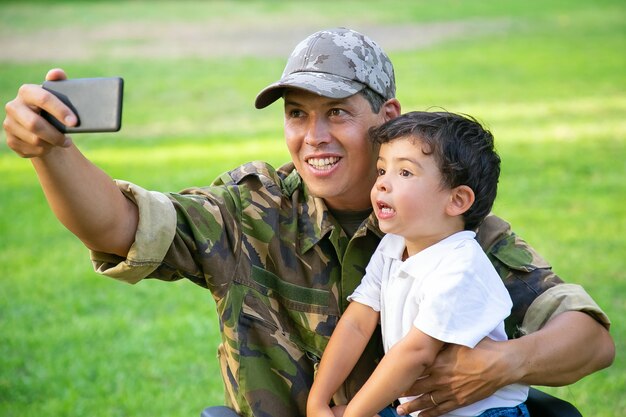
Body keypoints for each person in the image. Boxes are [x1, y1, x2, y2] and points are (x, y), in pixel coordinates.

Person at [3, 28, 614, 417]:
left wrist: (504, 366)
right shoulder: (252, 208)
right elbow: (120, 228)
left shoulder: (451, 229)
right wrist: (52, 152)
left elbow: (590, 338)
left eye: (337, 113)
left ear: (388, 115)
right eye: (297, 114)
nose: (313, 137)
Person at [307, 111, 529, 417]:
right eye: (382, 170)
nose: (382, 184)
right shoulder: (395, 244)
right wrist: (318, 402)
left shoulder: (460, 266)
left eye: (405, 173)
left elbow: (415, 354)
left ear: (457, 200)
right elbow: (357, 322)